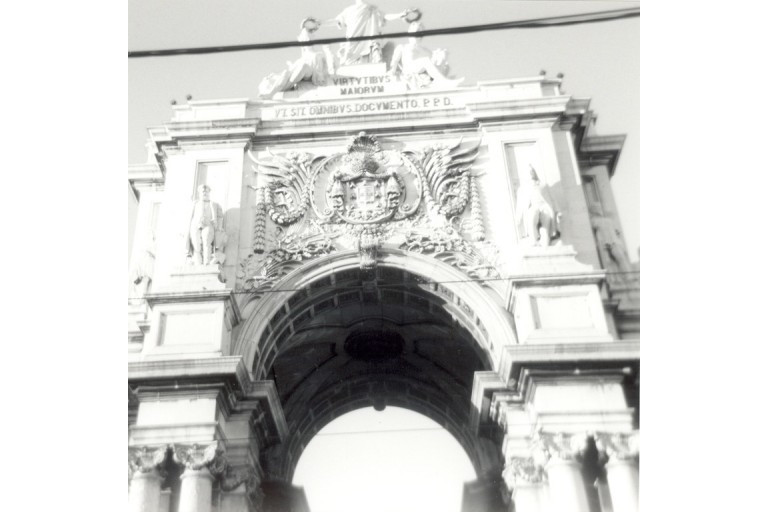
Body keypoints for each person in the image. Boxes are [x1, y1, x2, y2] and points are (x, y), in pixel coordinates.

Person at [258, 23, 330, 97]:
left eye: (307, 40)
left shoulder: (318, 54)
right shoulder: (300, 59)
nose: (306, 42)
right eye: (304, 40)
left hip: (309, 74)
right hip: (297, 76)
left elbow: (320, 73)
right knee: (285, 72)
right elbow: (291, 71)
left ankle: (285, 87)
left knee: (303, 66)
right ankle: (271, 93)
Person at [330, 0, 407, 65]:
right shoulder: (349, 10)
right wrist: (323, 23)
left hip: (369, 39)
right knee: (349, 59)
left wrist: (399, 15)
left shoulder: (372, 9)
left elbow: (385, 16)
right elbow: (337, 21)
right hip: (353, 39)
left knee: (374, 54)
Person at [389, 22, 463, 88]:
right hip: (408, 70)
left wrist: (442, 58)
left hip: (423, 74)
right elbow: (394, 62)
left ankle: (442, 82)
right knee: (425, 60)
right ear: (409, 31)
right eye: (416, 30)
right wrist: (392, 72)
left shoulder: (426, 50)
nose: (417, 33)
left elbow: (433, 67)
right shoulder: (402, 47)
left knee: (430, 61)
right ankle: (444, 82)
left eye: (419, 32)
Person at [514, 166, 560, 246]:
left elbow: (552, 200)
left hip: (544, 207)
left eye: (532, 171)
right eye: (529, 172)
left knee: (546, 224)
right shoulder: (523, 189)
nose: (530, 173)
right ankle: (533, 240)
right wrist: (518, 218)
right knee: (532, 217)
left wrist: (558, 211)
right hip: (533, 207)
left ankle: (545, 241)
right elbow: (520, 205)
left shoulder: (543, 185)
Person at [188, 184, 225, 265]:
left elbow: (220, 216)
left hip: (208, 224)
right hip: (195, 225)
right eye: (203, 192)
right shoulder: (195, 204)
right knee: (196, 245)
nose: (205, 193)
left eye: (206, 191)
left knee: (207, 242)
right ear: (199, 193)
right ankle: (198, 262)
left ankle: (207, 262)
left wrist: (219, 226)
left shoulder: (214, 204)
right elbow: (190, 217)